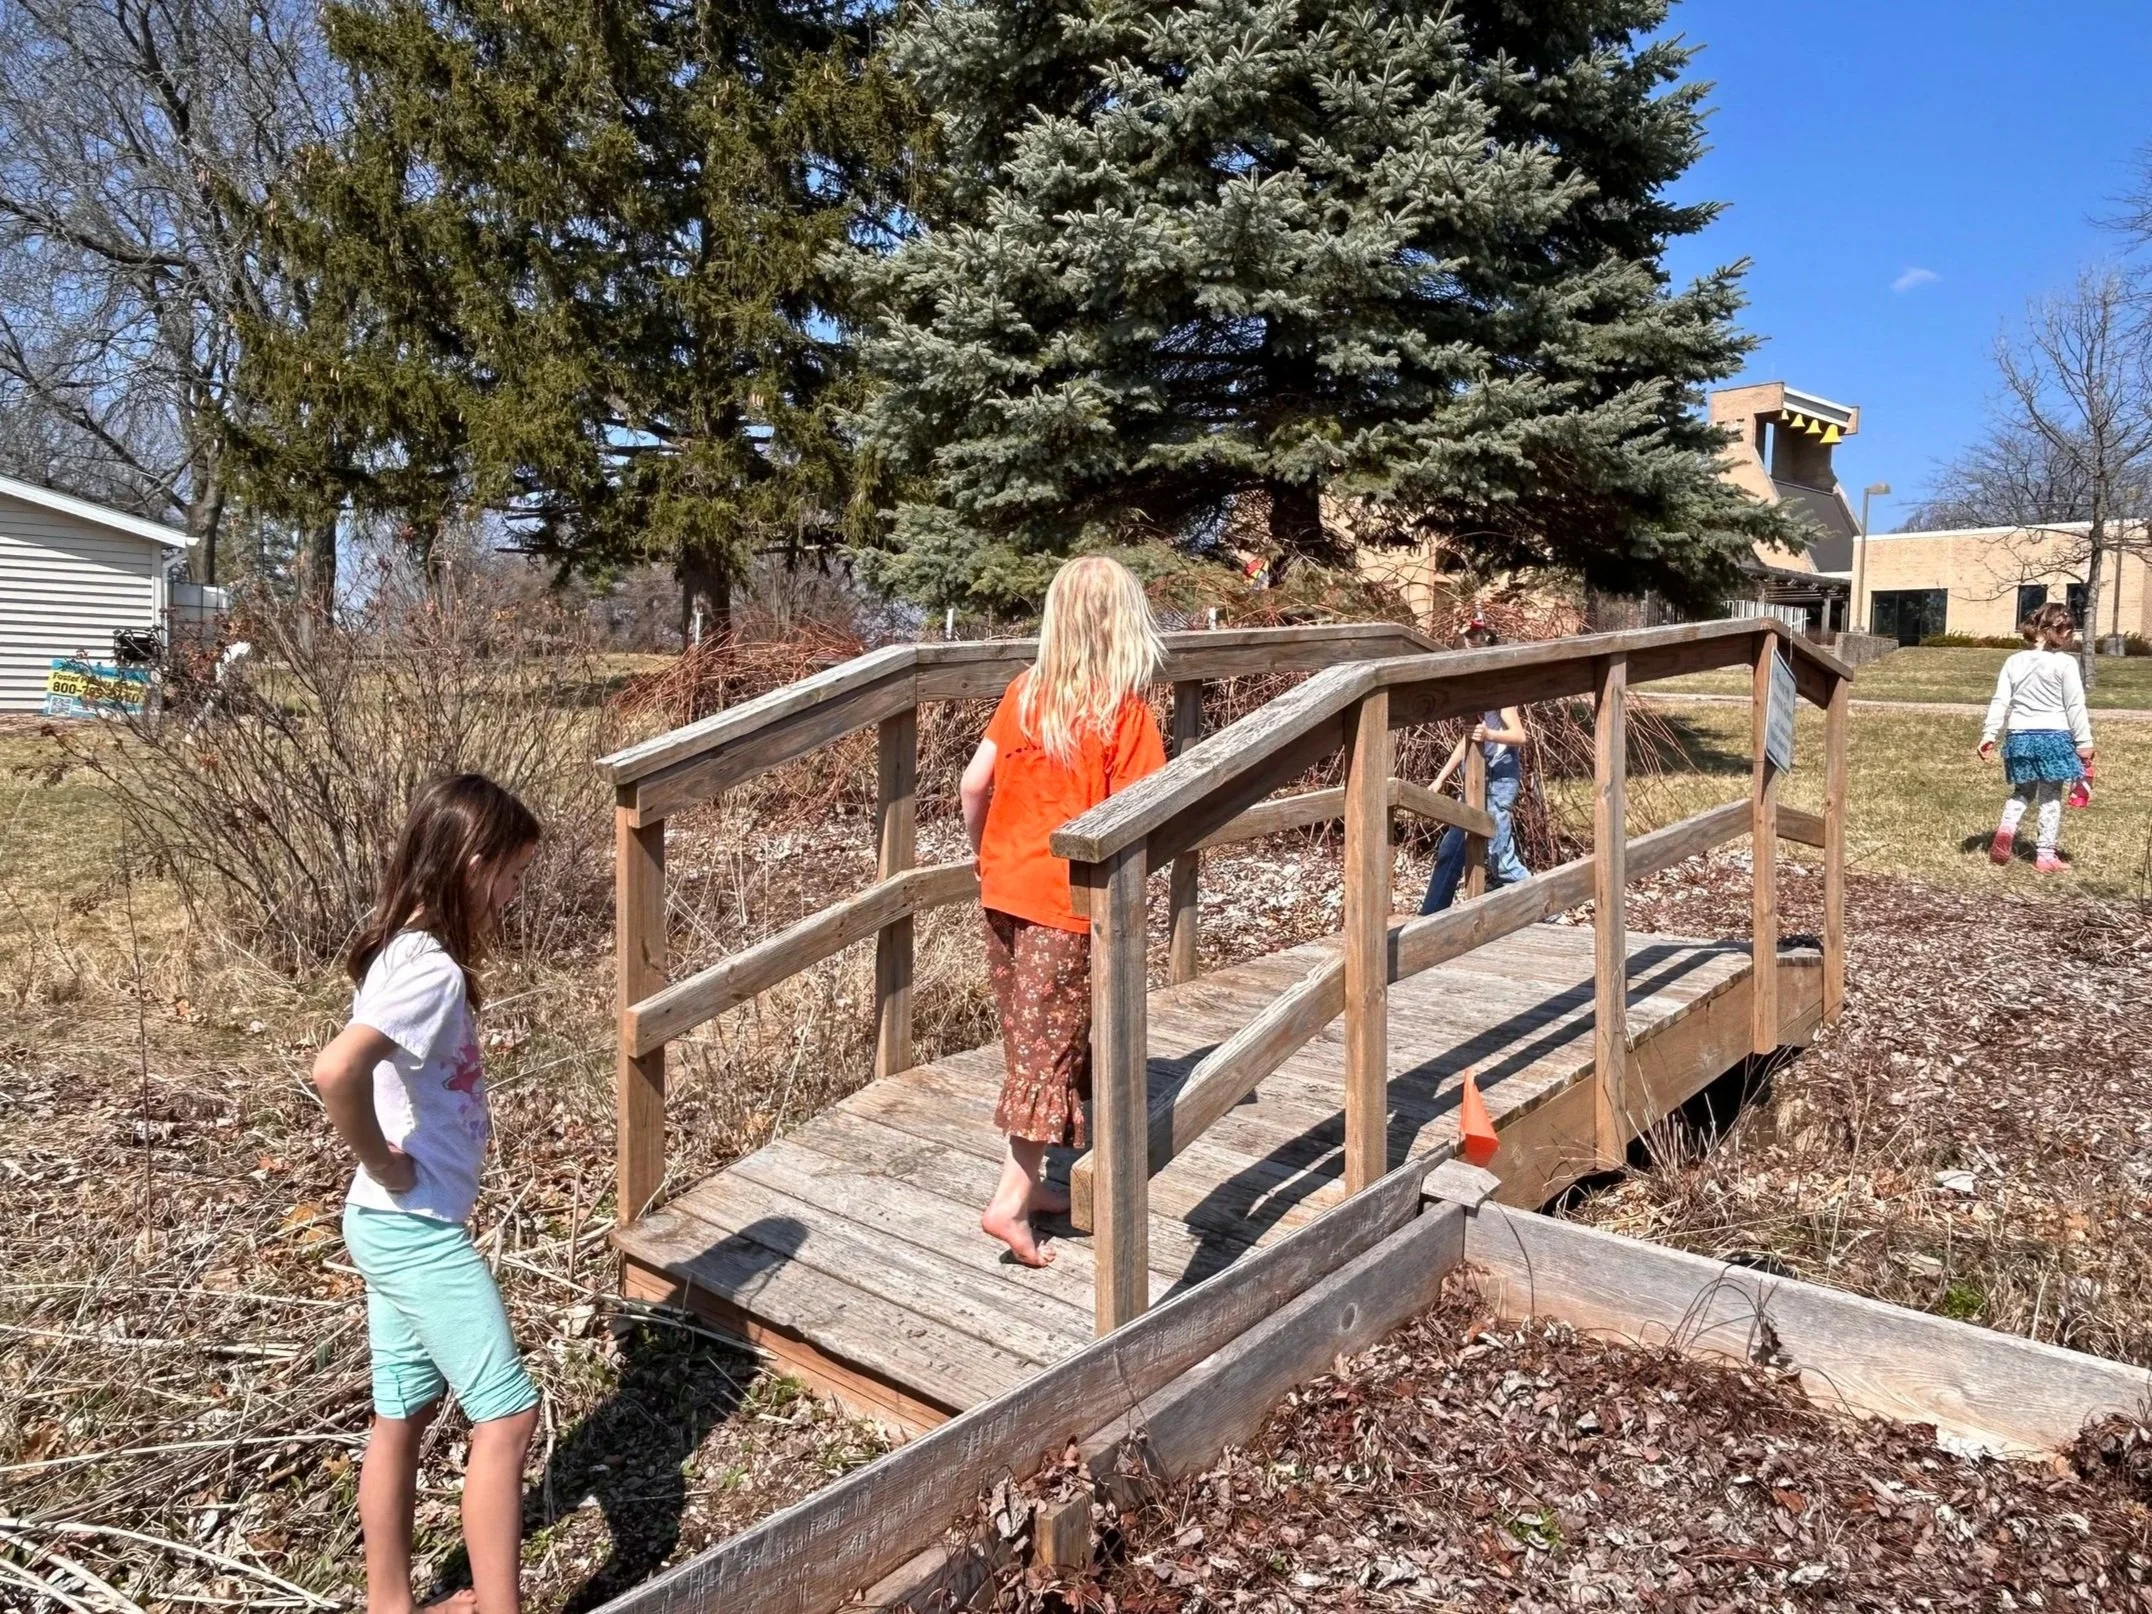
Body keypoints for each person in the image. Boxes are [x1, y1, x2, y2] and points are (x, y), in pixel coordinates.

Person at [314, 774, 543, 1614]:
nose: (512, 897)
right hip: (411, 1226)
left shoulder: (398, 950)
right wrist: (381, 1160)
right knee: (507, 1418)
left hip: (387, 1225)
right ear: (475, 866)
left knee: (401, 1412)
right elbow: (336, 1070)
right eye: (512, 876)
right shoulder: (433, 970)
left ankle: (390, 1604)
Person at [960, 557, 1167, 1266]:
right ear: (1125, 625)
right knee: (1050, 1051)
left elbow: (973, 784)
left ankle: (1040, 1183)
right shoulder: (1124, 713)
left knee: (1032, 1040)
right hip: (1065, 904)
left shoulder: (1025, 692)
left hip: (1005, 889)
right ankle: (1010, 1202)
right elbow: (1145, 811)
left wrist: (983, 855)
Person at [1420, 623, 1531, 914]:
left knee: (1500, 859)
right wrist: (1440, 779)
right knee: (1451, 851)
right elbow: (1467, 741)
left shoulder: (1500, 693)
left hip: (1497, 779)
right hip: (1473, 779)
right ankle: (1429, 916)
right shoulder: (1474, 693)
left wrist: (1489, 734)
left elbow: (1519, 736)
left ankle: (1549, 909)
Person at [1978, 602, 2095, 874]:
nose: (2068, 635)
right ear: (2050, 629)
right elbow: (2075, 705)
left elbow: (2000, 700)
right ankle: (2045, 855)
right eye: (2065, 629)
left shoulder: (2014, 661)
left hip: (2019, 737)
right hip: (2054, 737)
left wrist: (1989, 733)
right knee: (2050, 796)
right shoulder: (2065, 663)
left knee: (2023, 791)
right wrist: (2084, 741)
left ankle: (2007, 829)